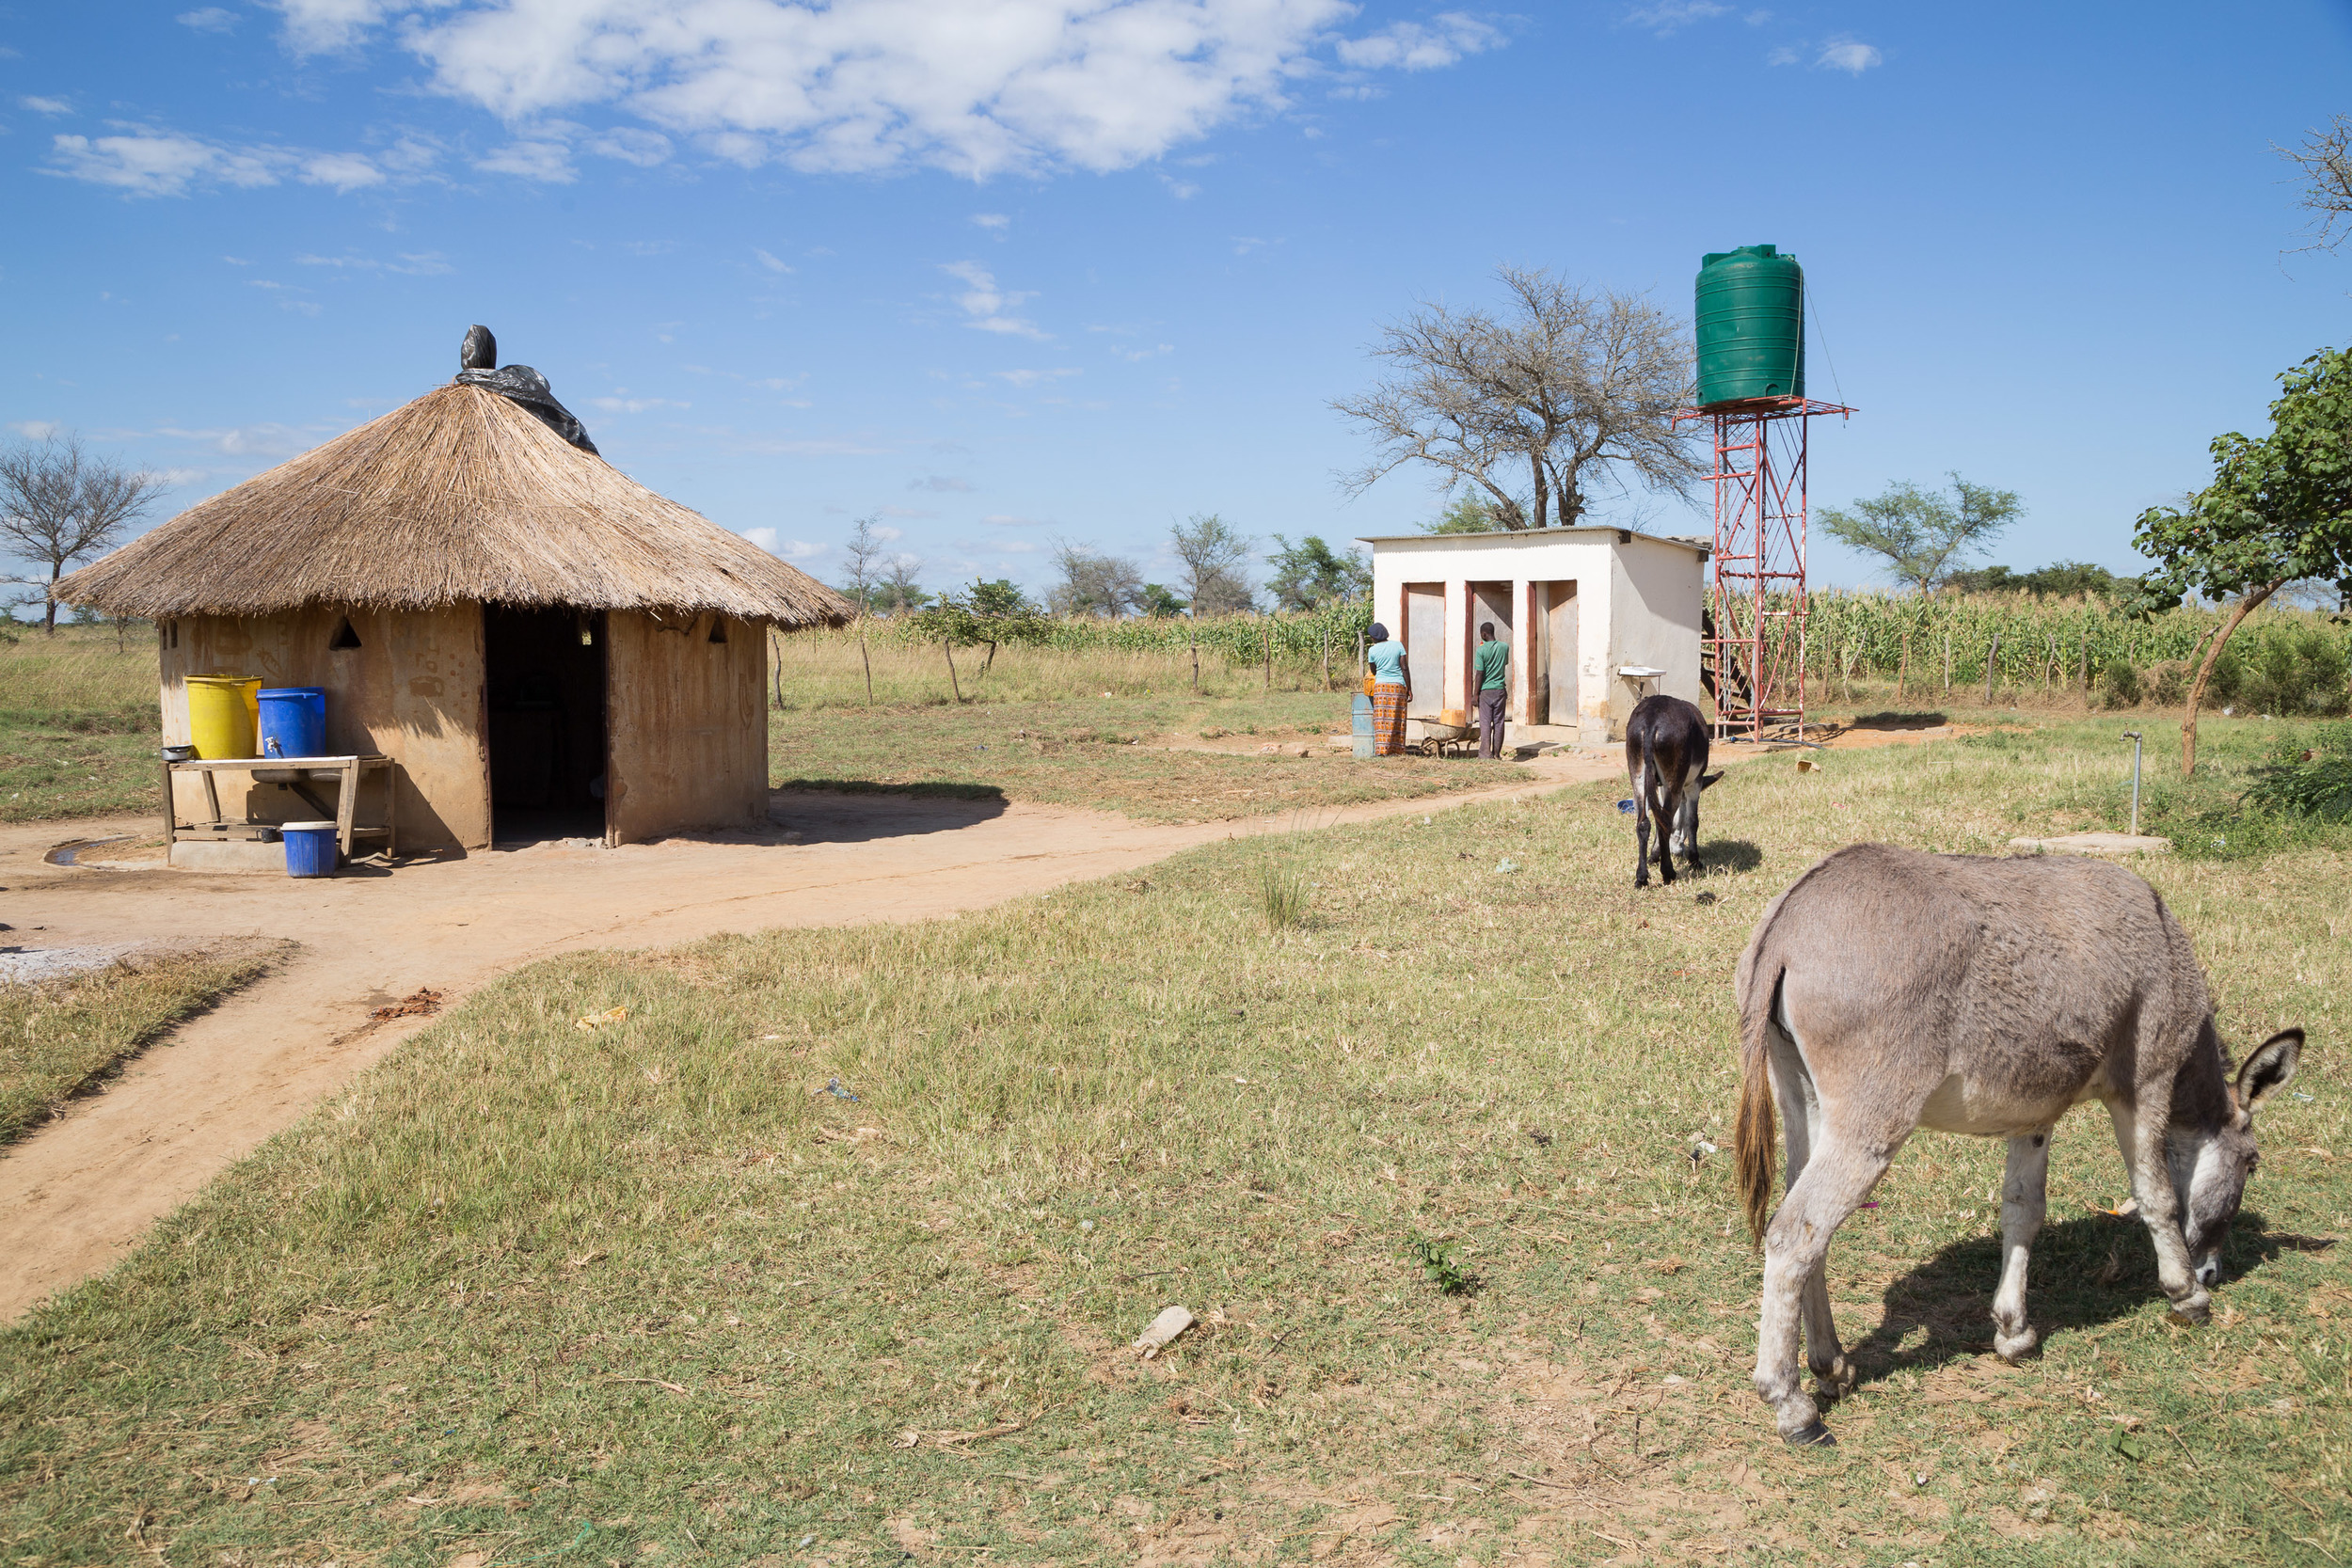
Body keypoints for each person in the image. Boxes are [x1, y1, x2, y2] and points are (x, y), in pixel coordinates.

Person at [1364, 622, 1411, 756]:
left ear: (1373, 638)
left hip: (1381, 687)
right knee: (1398, 718)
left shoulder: (1372, 651)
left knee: (1381, 719)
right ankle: (1397, 750)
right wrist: (1409, 689)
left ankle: (1382, 751)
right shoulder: (1398, 645)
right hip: (1398, 687)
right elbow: (1405, 668)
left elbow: (1373, 670)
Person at [1473, 622, 1509, 759]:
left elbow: (1479, 673)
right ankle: (1496, 754)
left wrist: (1475, 695)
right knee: (1499, 722)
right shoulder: (1505, 647)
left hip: (1486, 691)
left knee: (1485, 722)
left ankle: (1485, 754)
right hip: (1500, 690)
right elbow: (1504, 664)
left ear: (1484, 634)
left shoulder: (1481, 650)